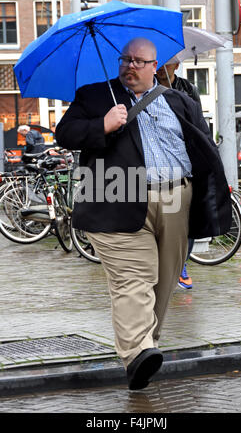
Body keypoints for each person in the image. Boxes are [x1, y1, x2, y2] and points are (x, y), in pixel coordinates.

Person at [55, 37, 231, 390]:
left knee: (164, 281)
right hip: (117, 197)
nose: (130, 66)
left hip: (176, 199)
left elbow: (201, 145)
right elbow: (65, 134)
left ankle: (145, 347)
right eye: (125, 60)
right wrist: (101, 125)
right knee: (134, 280)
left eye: (139, 61)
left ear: (156, 66)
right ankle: (138, 352)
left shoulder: (180, 100)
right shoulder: (95, 96)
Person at [157, 61, 201, 289]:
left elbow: (198, 122)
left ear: (175, 64)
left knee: (187, 220)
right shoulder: (147, 89)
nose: (160, 67)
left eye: (166, 62)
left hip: (185, 160)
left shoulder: (188, 89)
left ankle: (181, 263)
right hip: (158, 165)